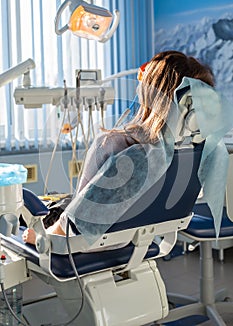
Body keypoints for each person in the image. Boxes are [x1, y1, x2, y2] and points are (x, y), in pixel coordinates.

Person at [22, 50, 214, 245]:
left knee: (27, 207)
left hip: (89, 245)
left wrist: (41, 237)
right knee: (59, 204)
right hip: (141, 242)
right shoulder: (197, 154)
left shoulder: (119, 148)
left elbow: (73, 229)